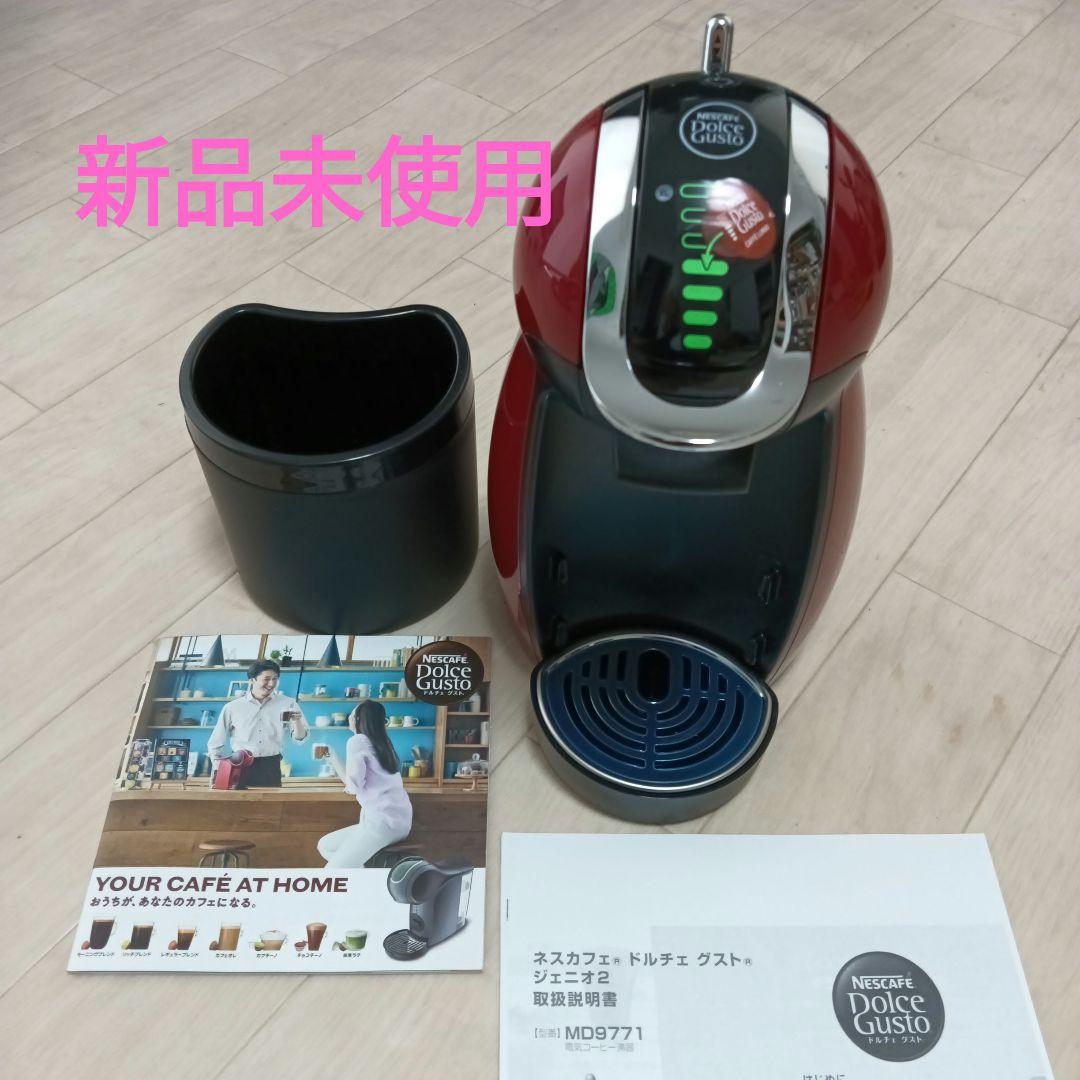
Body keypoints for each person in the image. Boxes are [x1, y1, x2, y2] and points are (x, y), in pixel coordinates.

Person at [317, 700, 413, 868]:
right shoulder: (383, 742)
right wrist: (332, 756)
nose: (349, 716)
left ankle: (359, 874)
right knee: (325, 845)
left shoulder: (357, 741)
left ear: (359, 719)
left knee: (331, 872)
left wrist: (331, 756)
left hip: (380, 823)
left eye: (353, 713)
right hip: (400, 824)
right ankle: (362, 872)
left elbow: (354, 786)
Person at [207, 659, 308, 788]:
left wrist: (297, 721)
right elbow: (216, 741)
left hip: (271, 767)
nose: (271, 684)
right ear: (252, 680)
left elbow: (300, 738)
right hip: (238, 765)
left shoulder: (288, 704)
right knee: (236, 801)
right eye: (266, 679)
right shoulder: (232, 707)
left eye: (275, 679)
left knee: (271, 801)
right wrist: (217, 769)